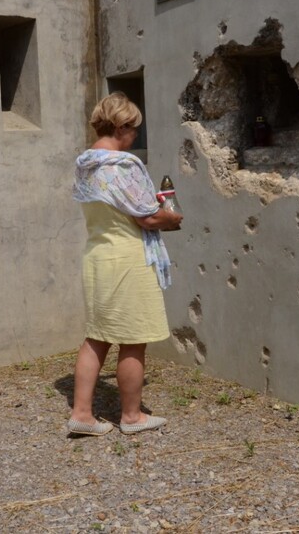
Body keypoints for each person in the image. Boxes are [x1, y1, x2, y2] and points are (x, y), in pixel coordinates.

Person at [67, 92, 183, 436]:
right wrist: (172, 218)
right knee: (133, 340)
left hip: (97, 257)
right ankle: (132, 417)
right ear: (120, 126)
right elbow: (147, 219)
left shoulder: (85, 165)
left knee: (97, 338)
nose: (136, 136)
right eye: (134, 129)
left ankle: (82, 414)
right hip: (128, 259)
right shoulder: (123, 166)